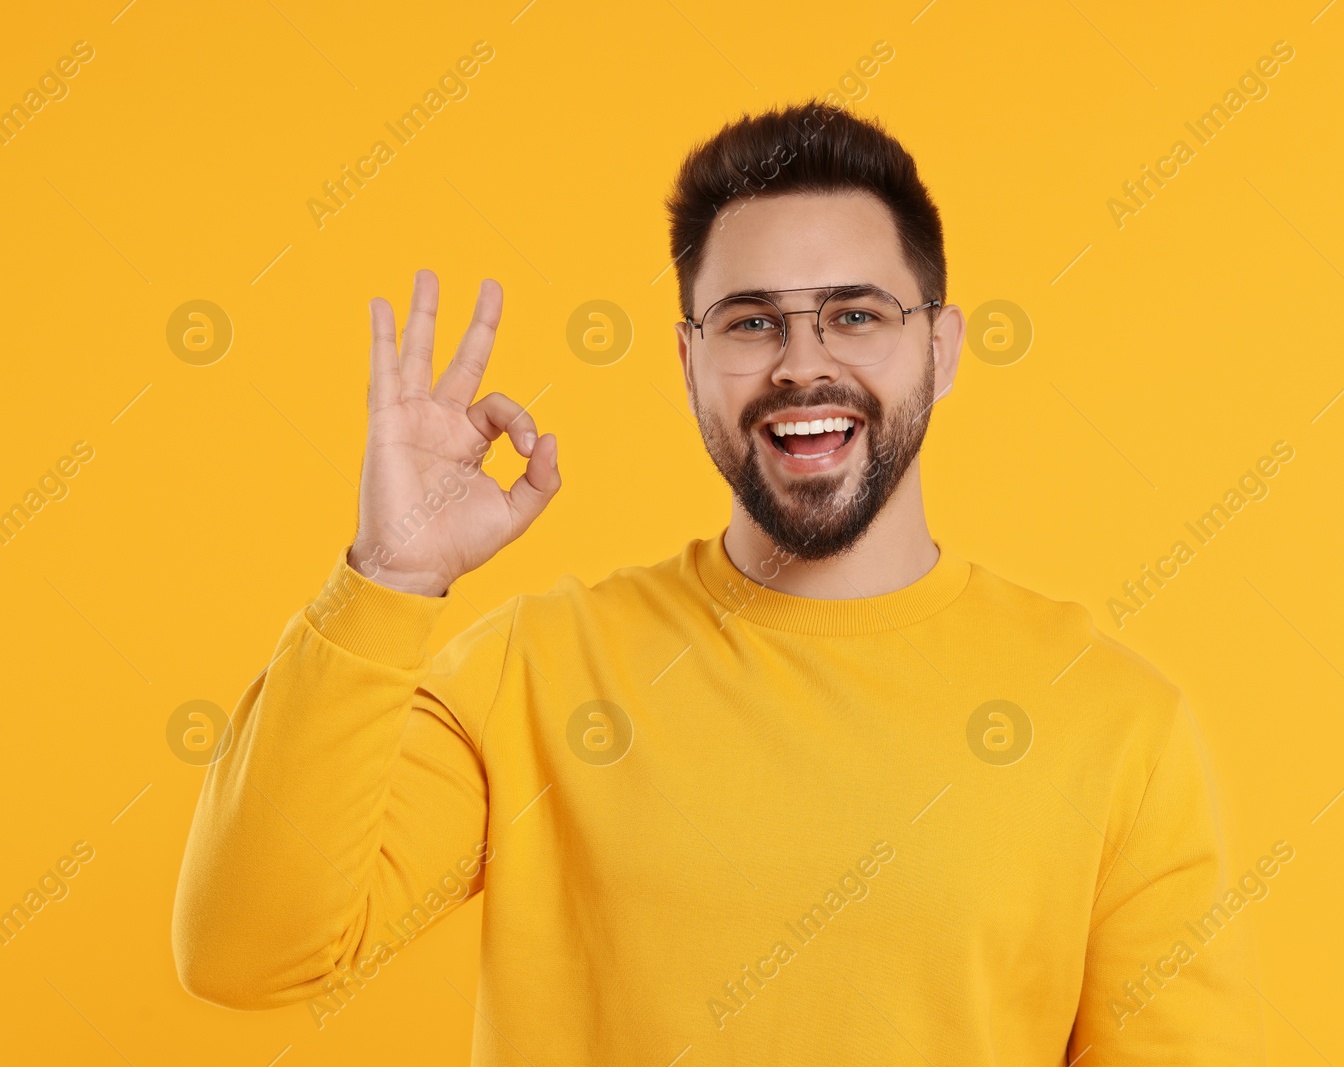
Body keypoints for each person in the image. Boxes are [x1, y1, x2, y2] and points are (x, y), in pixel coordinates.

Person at [173, 100, 1263, 1065]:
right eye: (752, 321)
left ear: (939, 348)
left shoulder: (1113, 721)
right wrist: (391, 574)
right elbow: (244, 952)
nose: (802, 362)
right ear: (689, 361)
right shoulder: (538, 670)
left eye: (855, 314)